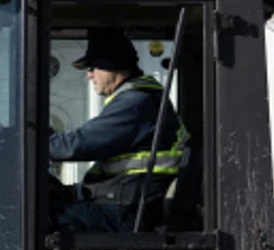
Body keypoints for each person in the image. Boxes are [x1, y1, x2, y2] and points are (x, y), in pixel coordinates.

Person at [46, 27, 187, 230]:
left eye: (93, 68)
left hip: (126, 213)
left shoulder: (135, 103)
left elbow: (79, 144)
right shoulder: (135, 99)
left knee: (38, 218)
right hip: (122, 204)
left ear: (112, 66)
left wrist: (33, 144)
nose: (89, 76)